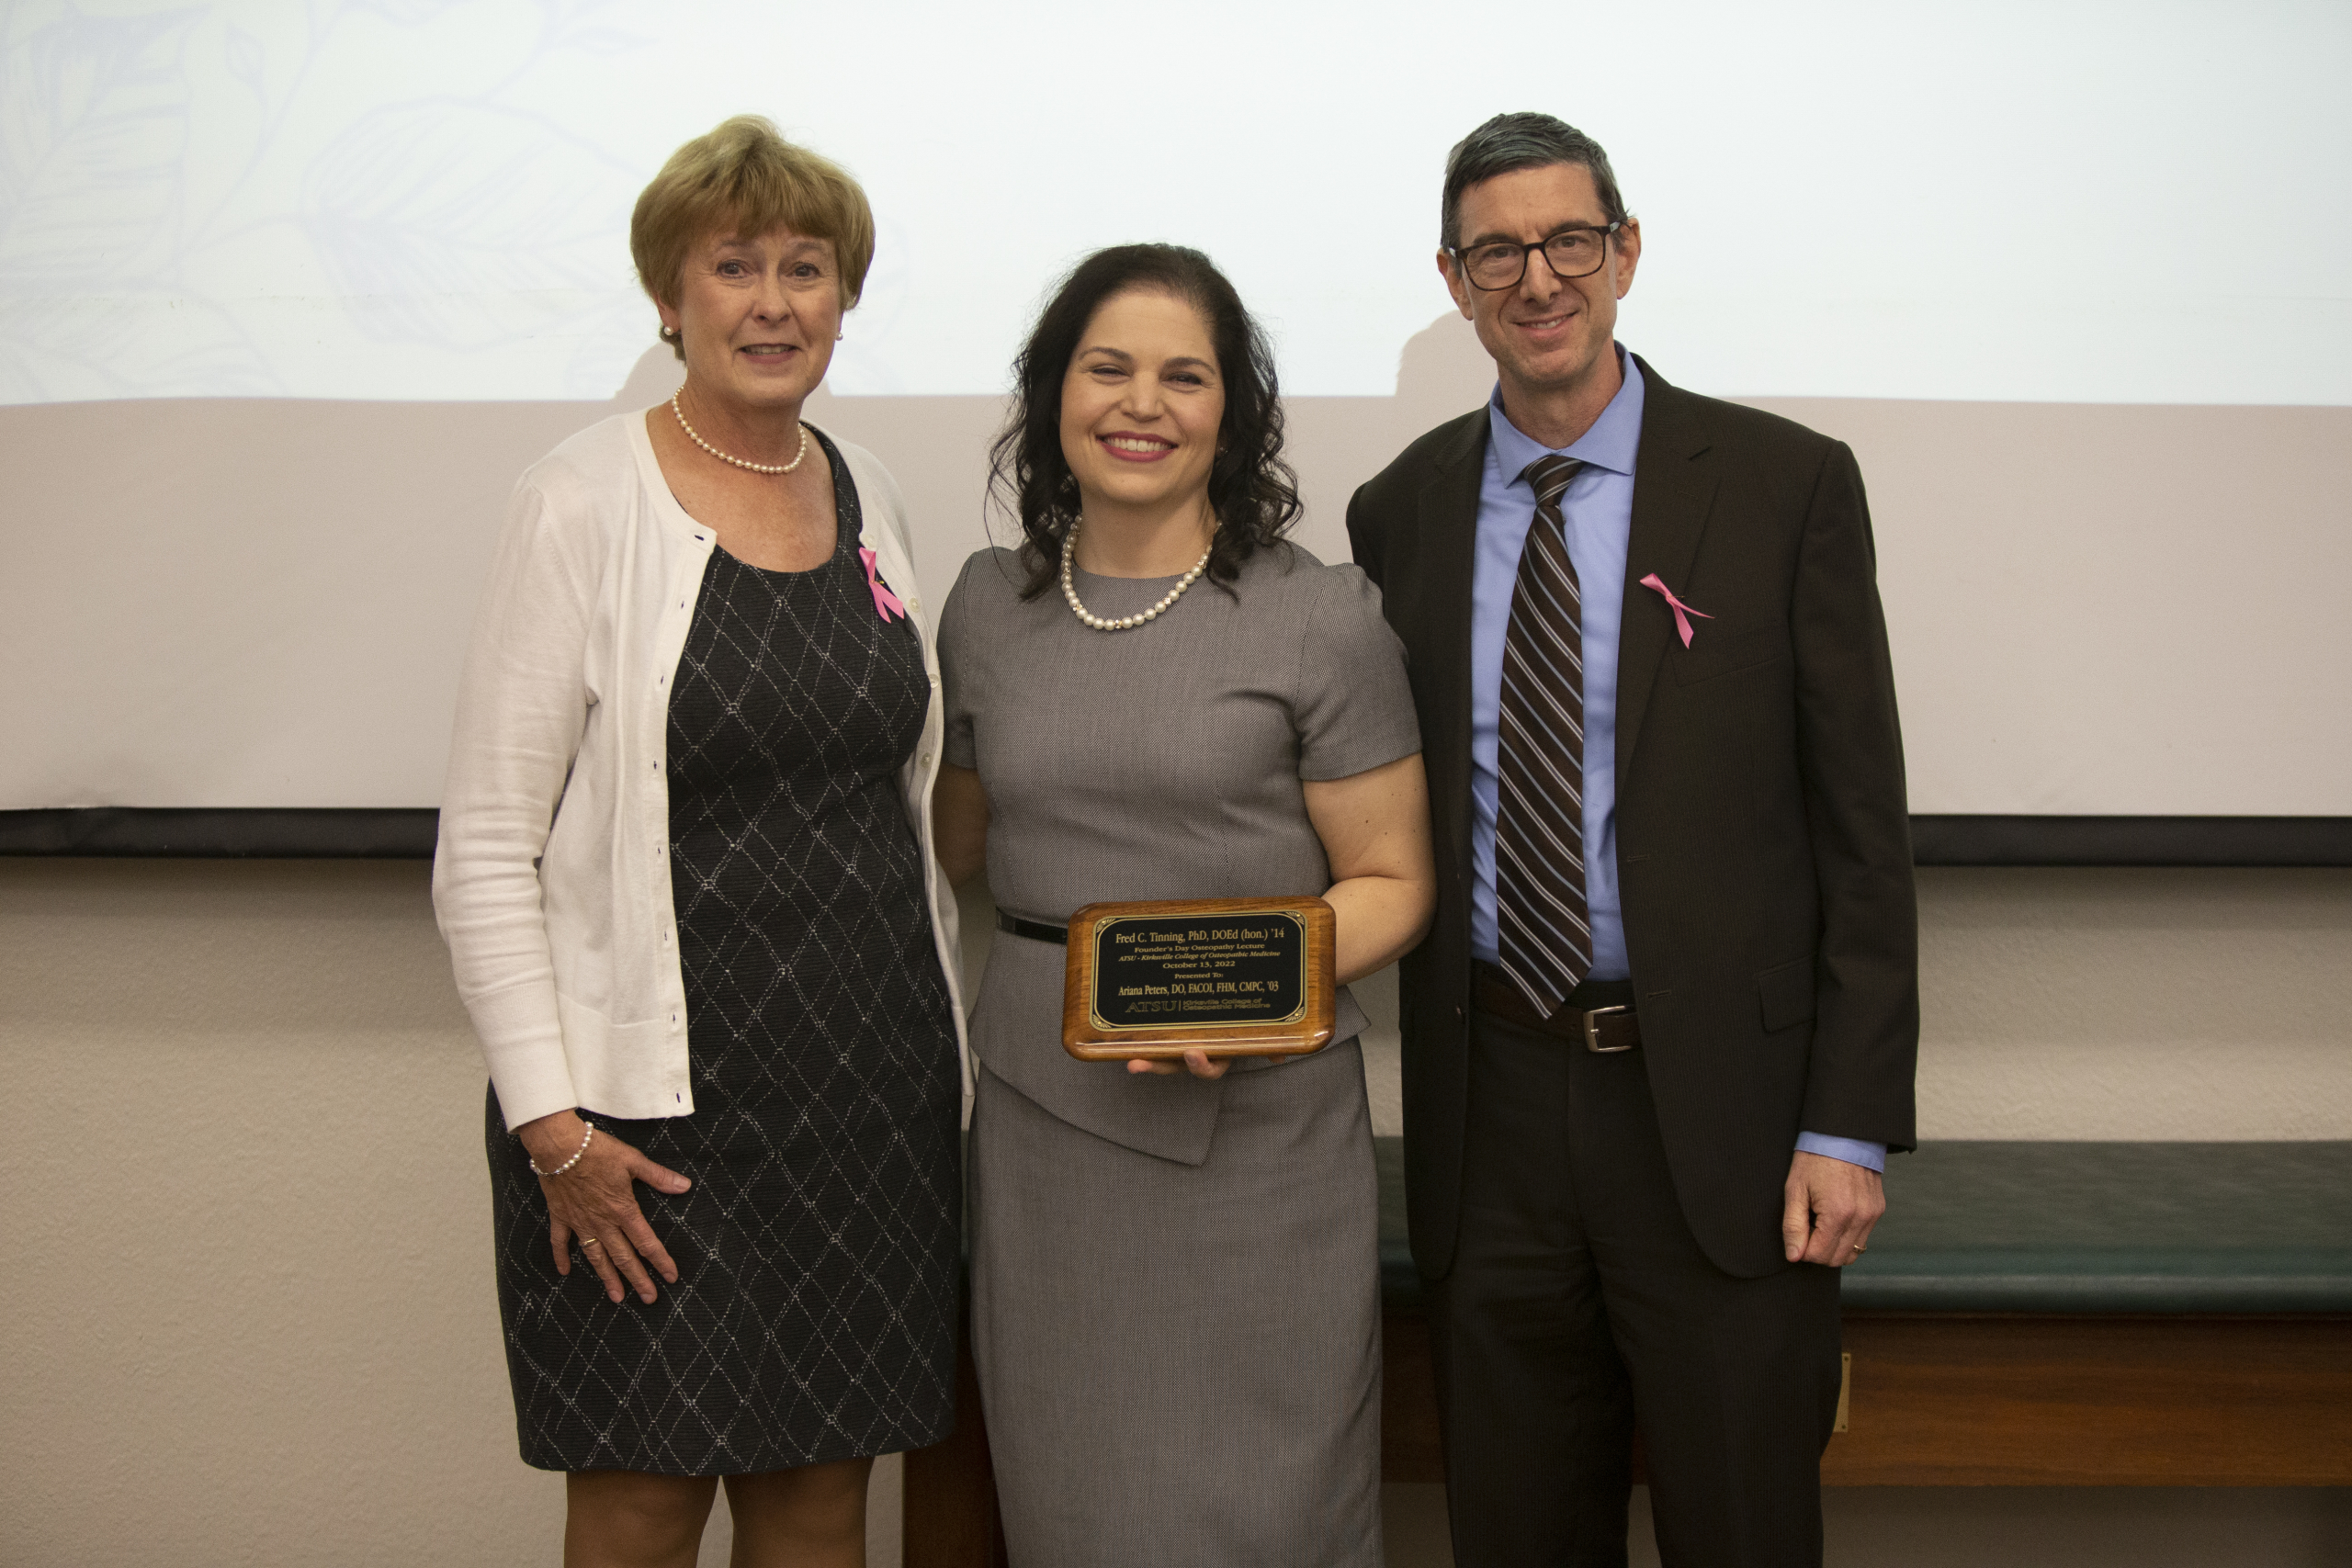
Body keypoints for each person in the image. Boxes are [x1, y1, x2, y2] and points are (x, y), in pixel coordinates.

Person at [1346, 112, 1919, 1565]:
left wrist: (1845, 1125)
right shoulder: (1398, 512)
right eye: (1497, 251)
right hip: (1493, 1114)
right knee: (1521, 1531)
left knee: (1744, 1527)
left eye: (1570, 241)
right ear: (1453, 277)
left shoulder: (1785, 486)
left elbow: (1861, 833)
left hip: (1724, 1124)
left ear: (1626, 253)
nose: (1538, 279)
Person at [433, 116, 967, 1568]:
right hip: (641, 1131)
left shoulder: (876, 496)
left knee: (817, 1508)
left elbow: (898, 797)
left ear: (845, 299)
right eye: (734, 266)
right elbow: (483, 846)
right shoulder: (579, 499)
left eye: (810, 268)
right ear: (669, 299)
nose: (776, 301)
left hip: (865, 1104)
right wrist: (554, 1130)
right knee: (640, 1509)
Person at [931, 243, 1435, 1567]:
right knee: (1075, 1505)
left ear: (1233, 411)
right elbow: (961, 845)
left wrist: (1260, 989)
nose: (1140, 402)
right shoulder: (986, 611)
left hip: (1264, 1140)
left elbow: (1394, 883)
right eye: (1107, 368)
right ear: (1054, 396)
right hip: (1048, 1132)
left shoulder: (1319, 617)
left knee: (1276, 1506)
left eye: (1183, 375)